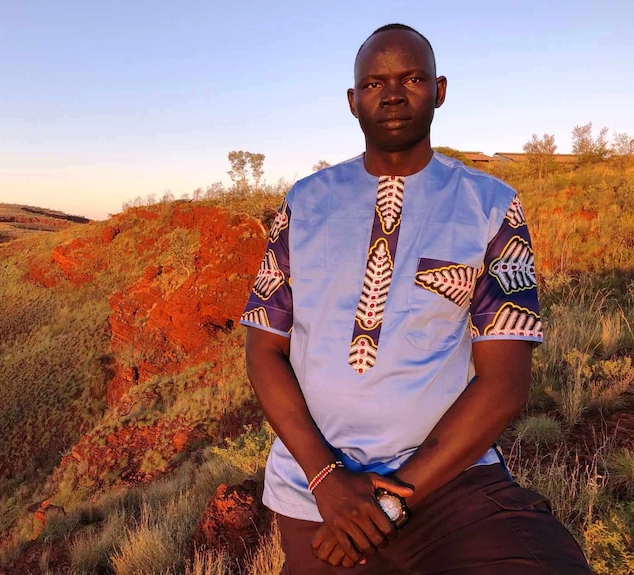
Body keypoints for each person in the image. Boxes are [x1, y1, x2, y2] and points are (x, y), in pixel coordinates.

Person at [240, 23, 592, 574]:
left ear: (440, 90)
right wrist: (327, 479)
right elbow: (263, 351)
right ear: (353, 102)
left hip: (450, 482)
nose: (395, 94)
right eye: (375, 83)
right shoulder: (303, 206)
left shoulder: (491, 206)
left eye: (412, 78)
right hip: (316, 493)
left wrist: (390, 502)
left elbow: (504, 382)